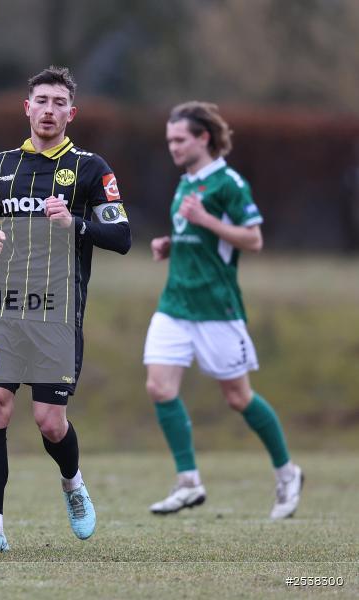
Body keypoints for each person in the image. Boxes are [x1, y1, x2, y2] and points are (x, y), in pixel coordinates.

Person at [0, 66, 131, 554]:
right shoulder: (1, 165)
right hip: (3, 304)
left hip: (57, 310)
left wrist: (75, 222)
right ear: (27, 107)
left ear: (71, 113)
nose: (50, 110)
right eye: (42, 100)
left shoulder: (91, 167)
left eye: (60, 102)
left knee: (48, 421)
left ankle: (72, 482)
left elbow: (121, 237)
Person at [144, 101, 302, 519]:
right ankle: (188, 482)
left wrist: (207, 221)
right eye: (169, 140)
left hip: (216, 307)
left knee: (238, 397)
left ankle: (287, 472)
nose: (173, 147)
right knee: (160, 387)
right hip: (175, 302)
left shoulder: (228, 184)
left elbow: (253, 240)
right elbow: (194, 235)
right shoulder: (185, 183)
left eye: (180, 139)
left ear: (203, 138)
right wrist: (170, 244)